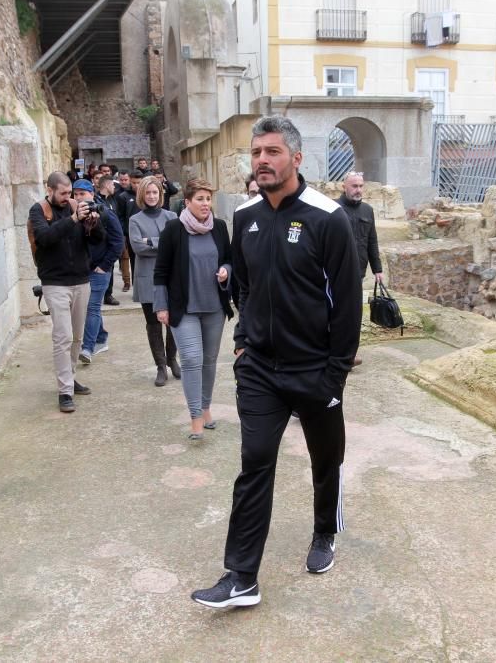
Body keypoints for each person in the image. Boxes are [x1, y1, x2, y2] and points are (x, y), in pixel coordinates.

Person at [191, 116, 361, 608]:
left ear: (296, 158)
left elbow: (348, 306)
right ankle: (241, 576)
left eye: (272, 152)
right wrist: (244, 343)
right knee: (254, 464)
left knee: (325, 462)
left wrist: (335, 375)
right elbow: (243, 286)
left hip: (316, 371)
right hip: (261, 369)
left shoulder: (328, 219)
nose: (262, 160)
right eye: (256, 153)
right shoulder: (244, 218)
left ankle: (324, 533)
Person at [153, 178, 234, 440]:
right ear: (187, 202)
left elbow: (230, 260)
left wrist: (226, 271)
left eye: (208, 199)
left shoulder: (219, 228)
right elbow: (161, 271)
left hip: (214, 307)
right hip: (183, 308)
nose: (205, 204)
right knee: (191, 361)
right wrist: (161, 305)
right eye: (200, 199)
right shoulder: (173, 229)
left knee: (209, 361)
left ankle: (207, 407)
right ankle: (195, 416)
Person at [27, 172, 104, 413]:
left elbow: (97, 241)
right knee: (63, 337)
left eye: (69, 193)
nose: (67, 197)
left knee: (78, 337)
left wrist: (94, 224)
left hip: (81, 280)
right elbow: (45, 237)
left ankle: (69, 378)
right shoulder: (38, 211)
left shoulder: (76, 206)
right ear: (49, 189)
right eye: (62, 193)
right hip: (55, 283)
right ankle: (64, 391)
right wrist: (72, 219)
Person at [130, 175, 181, 386]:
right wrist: (162, 243)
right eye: (148, 192)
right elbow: (137, 247)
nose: (152, 196)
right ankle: (160, 365)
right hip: (146, 278)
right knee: (153, 324)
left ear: (161, 194)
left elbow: (176, 243)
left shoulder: (171, 216)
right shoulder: (135, 220)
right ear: (142, 194)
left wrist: (150, 241)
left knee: (173, 322)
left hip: (170, 276)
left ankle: (172, 359)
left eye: (155, 192)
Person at [336, 170, 385, 367]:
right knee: (336, 314)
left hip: (358, 272)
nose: (358, 190)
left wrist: (378, 269)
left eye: (361, 186)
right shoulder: (333, 209)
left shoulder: (367, 210)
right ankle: (334, 353)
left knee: (355, 314)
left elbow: (372, 240)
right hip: (336, 272)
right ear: (344, 186)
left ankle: (350, 354)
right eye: (354, 186)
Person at [77, 178, 124, 363]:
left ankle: (87, 348)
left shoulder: (104, 213)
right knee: (91, 307)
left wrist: (105, 266)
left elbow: (118, 242)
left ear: (92, 193)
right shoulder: (76, 214)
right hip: (83, 268)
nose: (79, 197)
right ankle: (101, 337)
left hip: (100, 269)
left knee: (92, 307)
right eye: (76, 194)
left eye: (83, 193)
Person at [95, 175, 122, 307]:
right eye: (112, 185)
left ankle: (108, 294)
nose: (114, 187)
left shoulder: (112, 200)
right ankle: (104, 294)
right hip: (101, 244)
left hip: (112, 243)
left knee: (109, 268)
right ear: (106, 185)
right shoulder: (97, 202)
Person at [114, 170, 138, 293]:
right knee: (128, 258)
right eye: (134, 182)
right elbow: (120, 216)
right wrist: (124, 232)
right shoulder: (121, 196)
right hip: (128, 233)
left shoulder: (146, 194)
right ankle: (129, 283)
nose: (137, 185)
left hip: (145, 234)